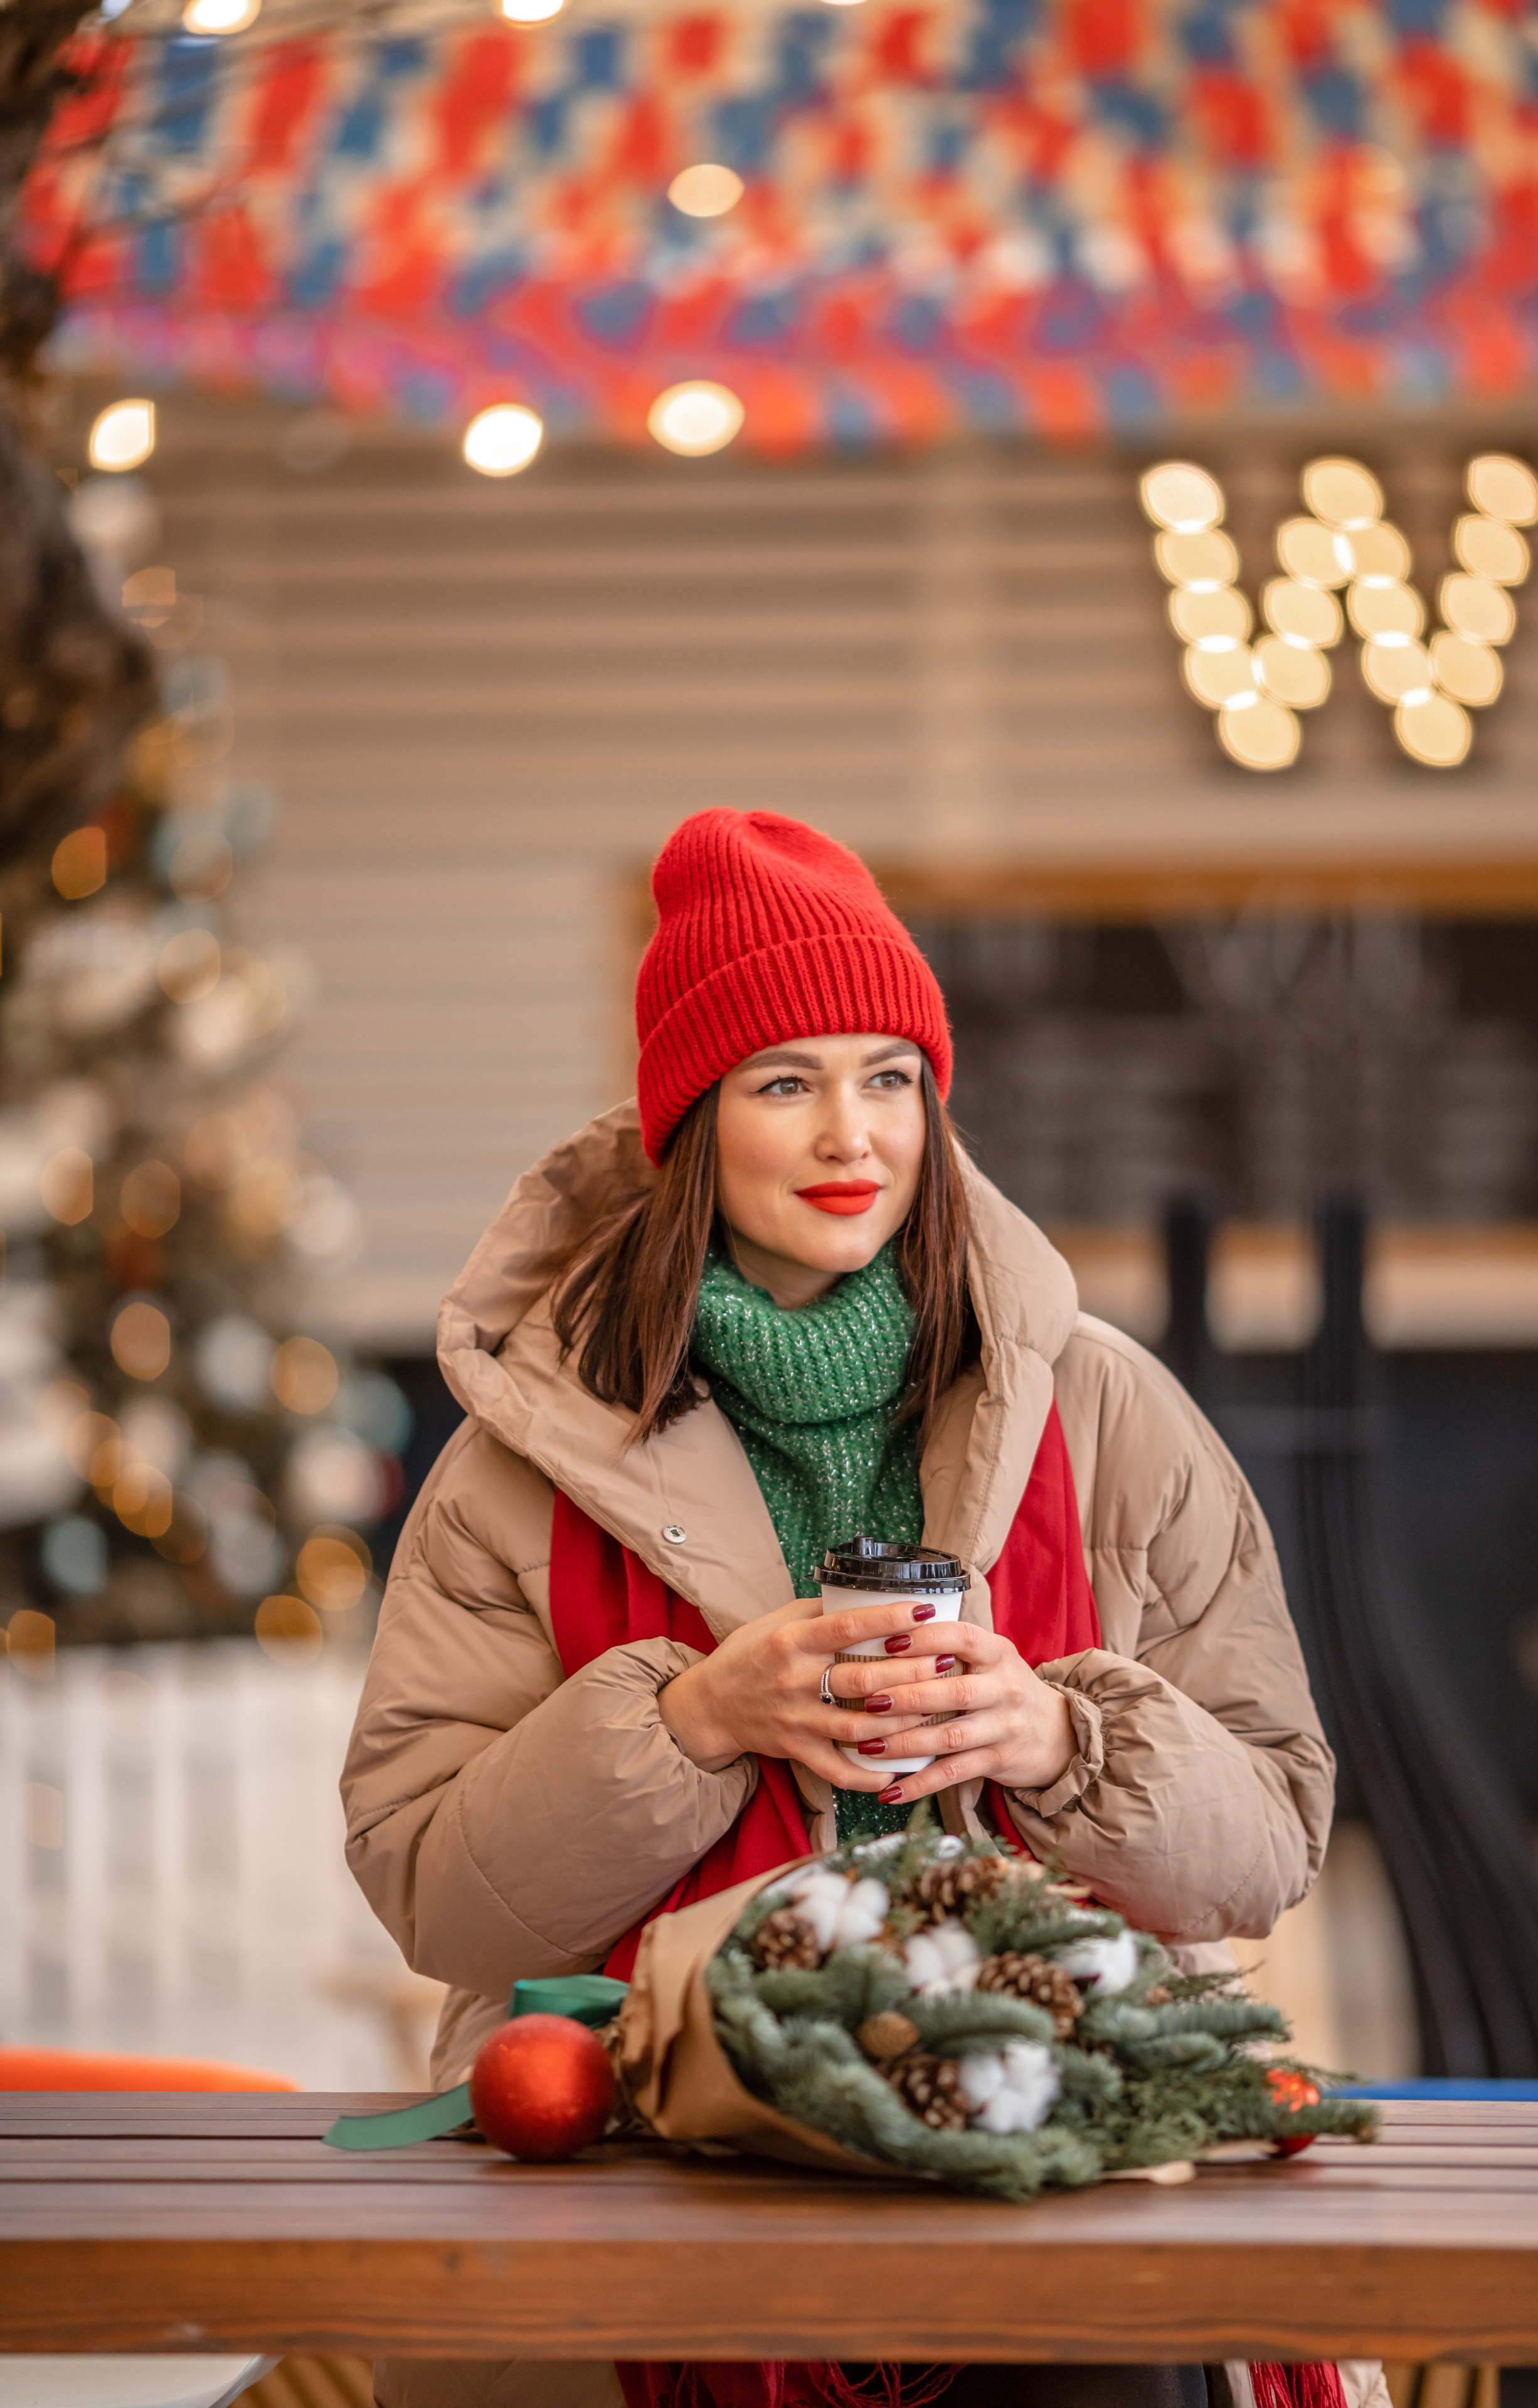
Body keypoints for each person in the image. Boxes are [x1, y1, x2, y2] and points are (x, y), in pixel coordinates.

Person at [342, 810, 1364, 2408]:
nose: (851, 1137)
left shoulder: (1108, 1416)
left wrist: (1051, 1734)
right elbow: (434, 1895)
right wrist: (685, 1724)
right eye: (782, 1083)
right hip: (650, 2129)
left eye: (888, 1077)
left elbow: (1273, 1838)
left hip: (1062, 2118)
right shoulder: (515, 1467)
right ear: (691, 1124)